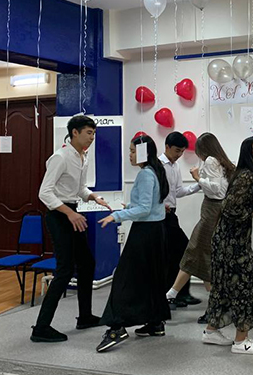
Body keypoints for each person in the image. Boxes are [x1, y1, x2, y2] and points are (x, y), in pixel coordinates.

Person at [31, 115, 112, 343]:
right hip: (59, 215)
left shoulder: (82, 156)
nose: (92, 137)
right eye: (89, 133)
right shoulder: (60, 157)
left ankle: (85, 316)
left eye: (94, 133)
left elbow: (80, 188)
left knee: (87, 263)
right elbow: (44, 193)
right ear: (75, 132)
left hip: (72, 212)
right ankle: (41, 328)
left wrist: (93, 197)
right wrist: (69, 213)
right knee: (65, 270)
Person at [96, 135, 171, 353]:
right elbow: (150, 205)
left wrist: (117, 215)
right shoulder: (155, 170)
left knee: (124, 279)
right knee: (151, 278)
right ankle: (155, 322)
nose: (129, 155)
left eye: (132, 151)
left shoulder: (146, 174)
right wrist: (129, 206)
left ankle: (117, 327)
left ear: (142, 152)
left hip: (145, 233)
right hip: (155, 232)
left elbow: (145, 209)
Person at [202, 137, 253, 355]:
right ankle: (241, 341)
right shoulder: (247, 176)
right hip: (232, 243)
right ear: (248, 154)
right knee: (246, 286)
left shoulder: (249, 175)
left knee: (223, 286)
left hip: (228, 239)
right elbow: (230, 207)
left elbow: (238, 203)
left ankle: (211, 330)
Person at [166, 132, 234, 324]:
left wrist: (198, 178)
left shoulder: (211, 161)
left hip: (211, 213)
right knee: (203, 255)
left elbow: (215, 189)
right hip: (215, 212)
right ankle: (175, 294)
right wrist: (199, 183)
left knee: (195, 251)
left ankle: (173, 294)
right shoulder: (222, 162)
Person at [160, 132, 202, 309]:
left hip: (171, 215)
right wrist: (159, 205)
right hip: (160, 216)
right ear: (167, 147)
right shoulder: (158, 165)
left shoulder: (175, 166)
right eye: (177, 150)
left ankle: (181, 293)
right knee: (171, 255)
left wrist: (199, 184)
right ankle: (170, 296)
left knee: (182, 252)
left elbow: (177, 191)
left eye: (182, 151)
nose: (179, 155)